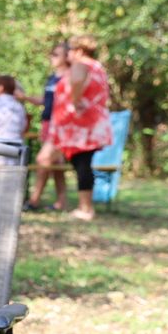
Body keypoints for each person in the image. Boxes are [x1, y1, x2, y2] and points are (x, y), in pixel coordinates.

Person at [49, 34, 112, 221]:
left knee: (83, 164)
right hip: (89, 123)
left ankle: (86, 209)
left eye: (70, 50)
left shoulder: (82, 64)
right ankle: (84, 206)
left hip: (82, 125)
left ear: (79, 51)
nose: (68, 54)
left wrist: (75, 101)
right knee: (82, 164)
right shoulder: (96, 66)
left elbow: (76, 81)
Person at [23, 42, 71, 211]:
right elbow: (45, 101)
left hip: (60, 125)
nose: (52, 57)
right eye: (52, 54)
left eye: (56, 54)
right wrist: (24, 97)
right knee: (56, 163)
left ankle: (34, 201)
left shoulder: (70, 77)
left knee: (43, 159)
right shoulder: (52, 78)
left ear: (67, 56)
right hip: (47, 122)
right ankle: (61, 202)